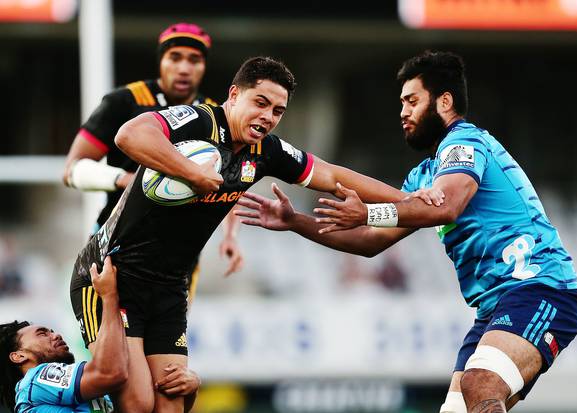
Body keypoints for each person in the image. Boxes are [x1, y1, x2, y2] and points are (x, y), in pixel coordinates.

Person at [234, 51, 577, 413]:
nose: (403, 112)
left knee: (480, 383)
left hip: (541, 288)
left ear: (444, 101)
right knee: (461, 405)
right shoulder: (422, 177)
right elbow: (371, 242)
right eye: (402, 103)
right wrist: (297, 223)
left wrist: (368, 211)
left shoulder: (466, 142)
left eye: (412, 101)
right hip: (494, 307)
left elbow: (447, 207)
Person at [69, 56, 411, 413]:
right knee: (137, 404)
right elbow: (130, 134)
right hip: (110, 277)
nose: (268, 116)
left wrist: (409, 200)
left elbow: (332, 175)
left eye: (277, 110)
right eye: (260, 103)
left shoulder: (267, 151)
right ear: (233, 95)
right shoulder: (198, 119)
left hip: (169, 286)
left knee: (171, 402)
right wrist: (192, 173)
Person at [62, 22, 244, 286]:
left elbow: (233, 179)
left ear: (204, 66)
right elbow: (72, 170)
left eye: (194, 60)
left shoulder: (217, 114)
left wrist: (230, 235)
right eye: (175, 57)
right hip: (117, 242)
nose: (184, 68)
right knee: (108, 328)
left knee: (171, 330)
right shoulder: (123, 102)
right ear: (161, 61)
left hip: (180, 252)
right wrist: (127, 180)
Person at [0, 257, 126, 412]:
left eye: (51, 331)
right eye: (42, 334)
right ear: (18, 356)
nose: (56, 335)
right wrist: (109, 296)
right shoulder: (34, 380)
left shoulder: (87, 389)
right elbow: (110, 372)